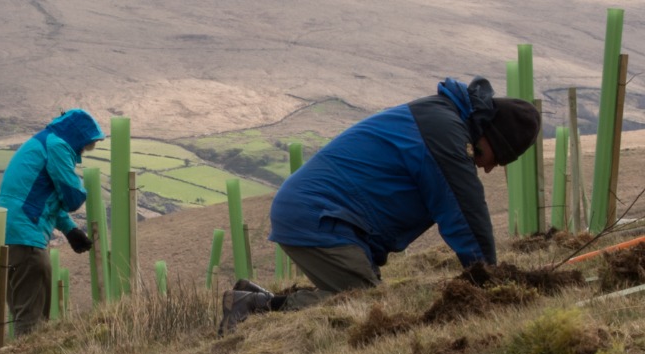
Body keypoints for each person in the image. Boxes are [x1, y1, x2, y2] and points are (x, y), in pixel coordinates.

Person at [219, 76, 542, 334]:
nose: (488, 168)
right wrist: (488, 281)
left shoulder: (443, 118)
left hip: (325, 215)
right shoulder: (444, 134)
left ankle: (251, 296)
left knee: (358, 293)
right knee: (363, 304)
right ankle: (254, 307)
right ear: (487, 135)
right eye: (494, 158)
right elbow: (464, 213)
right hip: (319, 216)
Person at [0, 108, 106, 336]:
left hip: (8, 235)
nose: (83, 152)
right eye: (86, 145)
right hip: (27, 241)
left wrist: (70, 229)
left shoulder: (43, 142)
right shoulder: (58, 146)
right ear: (77, 137)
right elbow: (72, 197)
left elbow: (39, 196)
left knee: (22, 312)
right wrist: (82, 192)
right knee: (32, 323)